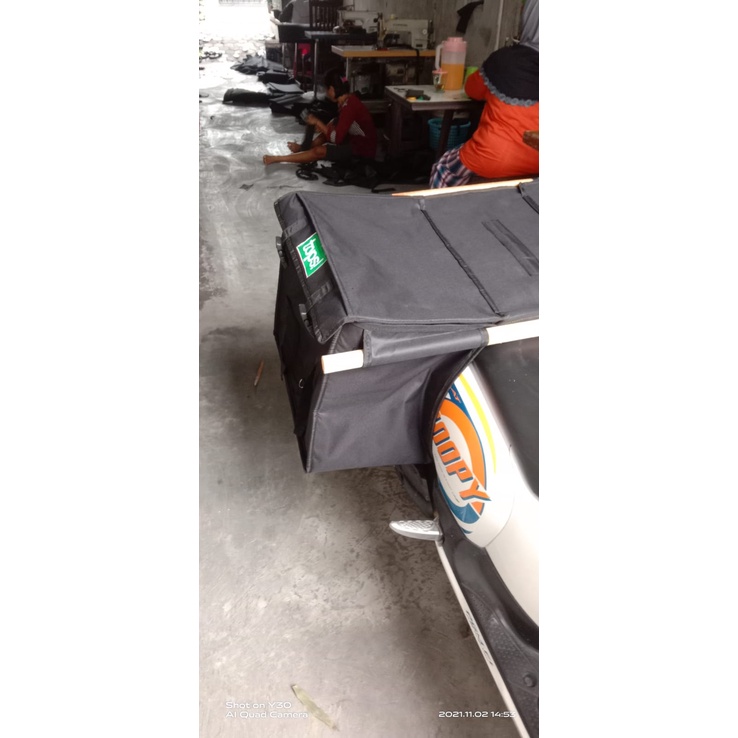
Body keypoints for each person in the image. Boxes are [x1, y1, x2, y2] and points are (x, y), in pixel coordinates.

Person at [429, 0, 539, 188]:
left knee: (443, 167)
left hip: (493, 158)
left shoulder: (504, 60)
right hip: (538, 164)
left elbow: (472, 90)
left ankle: (436, 207)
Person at [263, 68, 378, 167]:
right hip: (355, 141)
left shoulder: (349, 106)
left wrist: (318, 123)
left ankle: (278, 159)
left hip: (363, 152)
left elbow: (336, 139)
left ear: (332, 89)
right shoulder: (347, 101)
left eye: (327, 89)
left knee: (319, 151)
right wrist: (323, 127)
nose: (327, 93)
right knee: (331, 124)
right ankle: (303, 149)